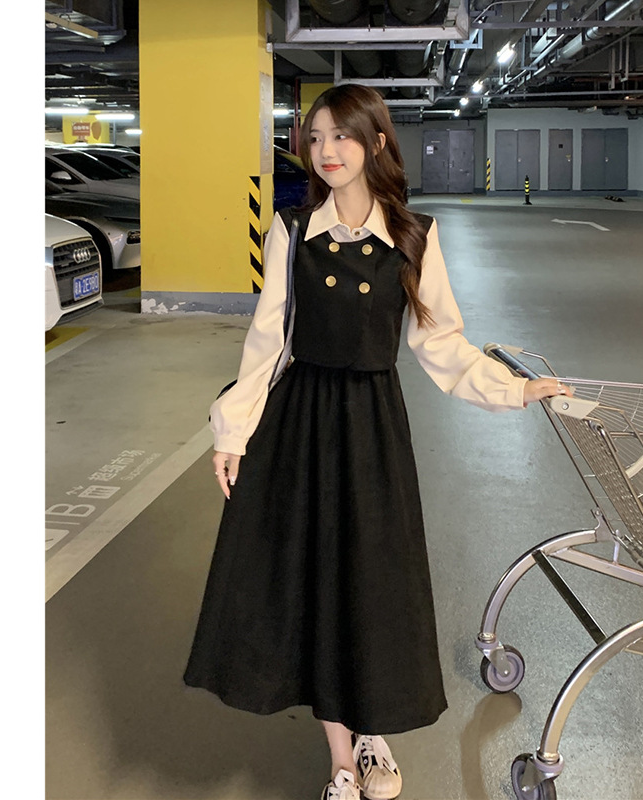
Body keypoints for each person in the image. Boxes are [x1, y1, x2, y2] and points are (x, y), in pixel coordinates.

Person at [184, 83, 570, 800]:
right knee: (314, 582)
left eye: (342, 135)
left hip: (372, 427)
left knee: (371, 580)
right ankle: (341, 757)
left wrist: (514, 389)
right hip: (300, 426)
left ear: (377, 142)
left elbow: (441, 344)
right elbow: (267, 343)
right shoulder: (292, 232)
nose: (326, 150)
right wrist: (232, 433)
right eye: (315, 137)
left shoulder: (414, 235)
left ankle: (373, 735)